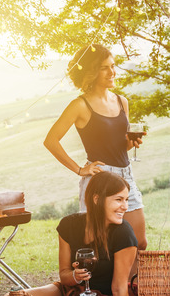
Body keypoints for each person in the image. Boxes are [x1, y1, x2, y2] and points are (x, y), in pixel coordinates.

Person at [0, 171, 138, 296]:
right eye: (118, 199)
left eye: (126, 199)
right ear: (97, 199)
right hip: (68, 295)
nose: (125, 206)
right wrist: (74, 276)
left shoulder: (124, 233)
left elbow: (119, 287)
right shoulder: (69, 225)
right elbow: (64, 275)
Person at [43, 43, 147, 253]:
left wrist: (131, 143)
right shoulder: (80, 105)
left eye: (113, 65)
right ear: (91, 72)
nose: (112, 72)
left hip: (126, 176)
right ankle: (103, 286)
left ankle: (130, 286)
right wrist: (80, 170)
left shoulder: (121, 101)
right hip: (99, 179)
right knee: (100, 245)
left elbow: (119, 146)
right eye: (104, 67)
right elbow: (51, 140)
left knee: (138, 242)